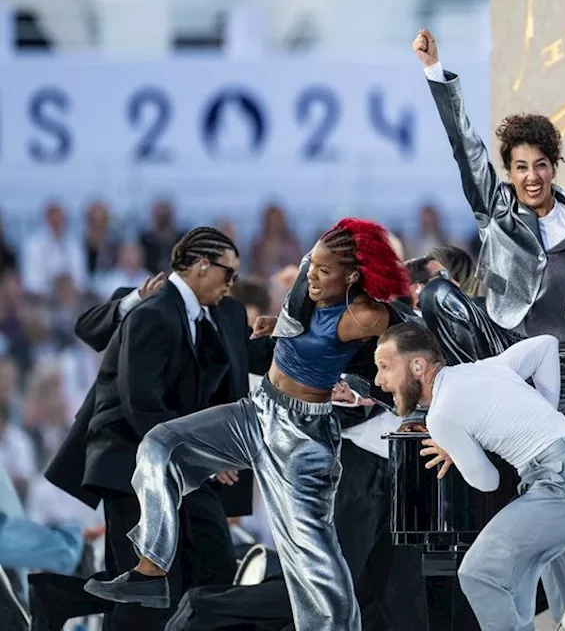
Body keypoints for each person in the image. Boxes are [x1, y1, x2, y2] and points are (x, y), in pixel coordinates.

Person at [81, 218, 409, 631]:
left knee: (316, 569)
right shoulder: (313, 277)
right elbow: (299, 323)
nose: (312, 274)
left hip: (302, 438)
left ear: (354, 276)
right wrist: (278, 327)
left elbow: (402, 358)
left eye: (324, 271)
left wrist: (362, 388)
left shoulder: (368, 315)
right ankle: (150, 570)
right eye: (314, 264)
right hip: (256, 411)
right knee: (160, 445)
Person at [414, 27, 565, 430]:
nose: (531, 177)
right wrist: (434, 70)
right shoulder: (494, 206)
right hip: (499, 345)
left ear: (553, 166)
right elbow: (466, 145)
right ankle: (464, 390)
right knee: (437, 296)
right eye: (520, 167)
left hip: (564, 355)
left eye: (539, 165)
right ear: (509, 173)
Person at [42, 229, 253, 630]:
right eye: (229, 275)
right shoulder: (151, 310)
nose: (232, 285)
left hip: (186, 463)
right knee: (146, 590)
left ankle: (61, 597)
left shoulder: (224, 313)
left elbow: (245, 362)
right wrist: (203, 453)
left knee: (215, 567)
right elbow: (141, 402)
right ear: (202, 266)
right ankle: (61, 598)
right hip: (133, 463)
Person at [373, 323, 565, 631]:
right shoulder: (484, 369)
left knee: (480, 573)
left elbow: (487, 481)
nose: (379, 381)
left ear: (418, 365)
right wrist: (545, 408)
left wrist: (455, 448)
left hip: (561, 485)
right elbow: (545, 344)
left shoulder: (441, 414)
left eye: (385, 367)